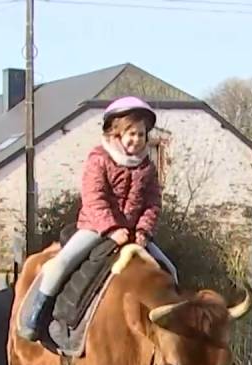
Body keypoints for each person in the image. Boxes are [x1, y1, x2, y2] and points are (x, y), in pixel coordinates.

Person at [16, 95, 175, 341]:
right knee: (61, 263)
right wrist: (111, 229)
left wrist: (143, 231)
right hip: (95, 227)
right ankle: (35, 316)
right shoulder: (99, 159)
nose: (137, 139)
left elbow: (153, 203)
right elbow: (94, 197)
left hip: (134, 233)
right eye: (131, 133)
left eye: (141, 134)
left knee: (171, 270)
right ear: (116, 133)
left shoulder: (147, 168)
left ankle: (178, 328)